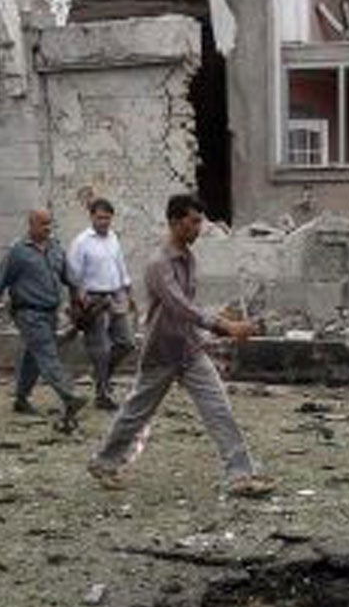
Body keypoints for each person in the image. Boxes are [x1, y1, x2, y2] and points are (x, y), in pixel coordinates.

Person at [88, 194, 274, 498]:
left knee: (218, 408)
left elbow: (189, 307)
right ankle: (105, 461)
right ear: (175, 222)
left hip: (189, 349)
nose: (198, 228)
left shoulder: (188, 257)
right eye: (193, 222)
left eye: (200, 221)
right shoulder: (159, 263)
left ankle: (239, 473)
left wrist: (220, 320)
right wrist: (224, 326)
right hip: (162, 351)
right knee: (137, 411)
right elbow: (179, 306)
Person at [0, 208, 87, 431]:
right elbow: (0, 281)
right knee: (47, 353)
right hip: (27, 312)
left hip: (50, 312)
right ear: (31, 224)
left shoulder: (55, 248)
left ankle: (21, 399)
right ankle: (69, 395)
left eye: (49, 224)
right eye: (43, 224)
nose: (47, 229)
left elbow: (69, 278)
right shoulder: (18, 252)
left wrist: (77, 303)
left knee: (33, 357)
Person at [67, 197, 136, 409]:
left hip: (115, 296)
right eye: (99, 218)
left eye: (107, 218)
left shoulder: (113, 237)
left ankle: (102, 375)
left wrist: (128, 292)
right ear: (91, 217)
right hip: (94, 300)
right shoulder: (81, 242)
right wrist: (78, 299)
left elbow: (120, 266)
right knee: (101, 349)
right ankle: (102, 394)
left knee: (126, 343)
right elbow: (72, 274)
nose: (103, 222)